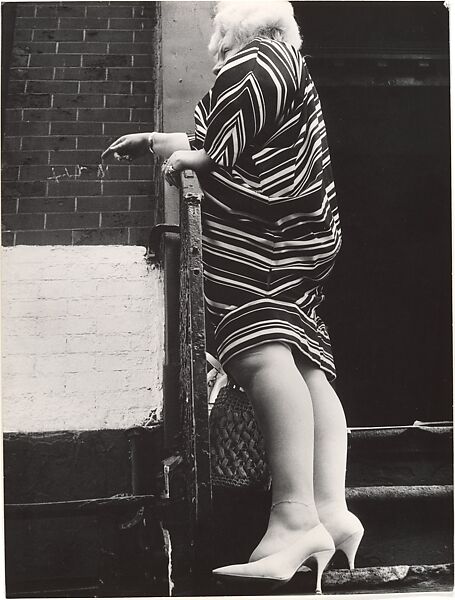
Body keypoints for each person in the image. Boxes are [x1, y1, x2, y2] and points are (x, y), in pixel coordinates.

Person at [102, 0, 363, 593]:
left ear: (230, 27)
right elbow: (234, 136)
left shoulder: (257, 61)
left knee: (259, 352)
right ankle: (329, 509)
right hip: (299, 236)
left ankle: (295, 517)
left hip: (265, 239)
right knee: (302, 363)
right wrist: (159, 142)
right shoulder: (287, 63)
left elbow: (221, 146)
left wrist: (191, 157)